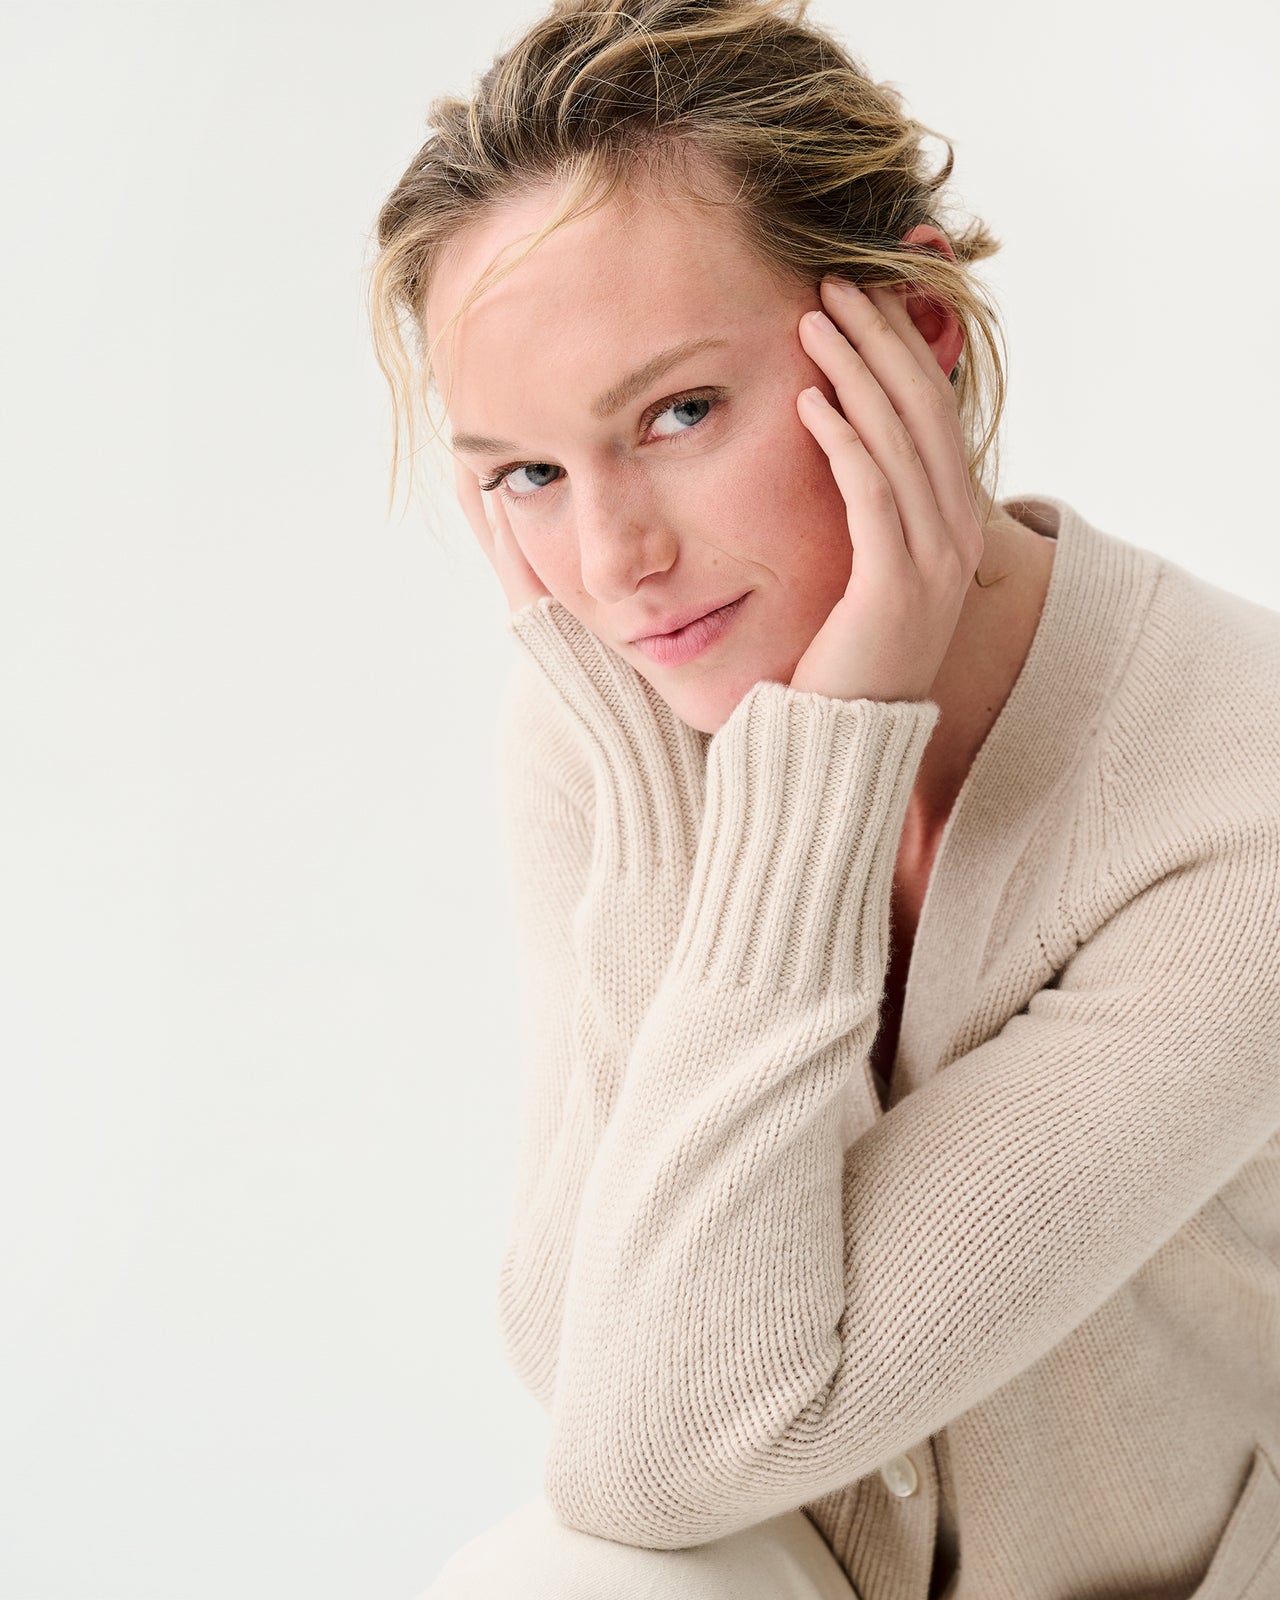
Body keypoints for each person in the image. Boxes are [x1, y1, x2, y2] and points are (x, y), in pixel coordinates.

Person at [367, 1, 1280, 1595]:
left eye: (675, 416)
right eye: (526, 473)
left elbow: (668, 1445)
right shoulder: (614, 720)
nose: (608, 567)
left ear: (914, 335)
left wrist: (832, 739)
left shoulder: (1243, 802)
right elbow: (592, 1370)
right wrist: (671, 779)